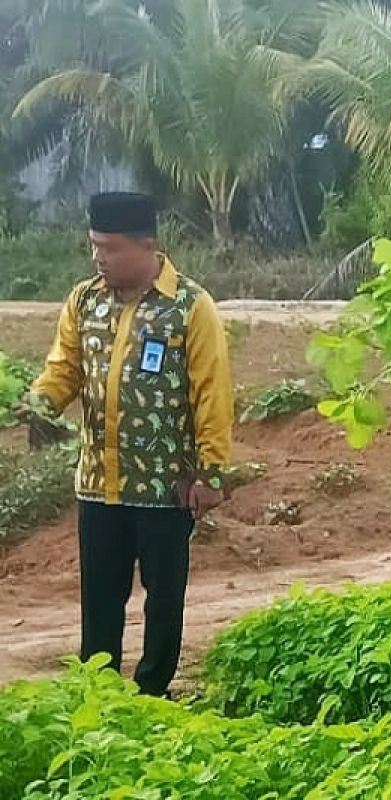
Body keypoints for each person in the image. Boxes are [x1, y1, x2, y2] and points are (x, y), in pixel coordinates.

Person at [23, 191, 233, 697]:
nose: (99, 257)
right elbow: (64, 368)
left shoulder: (189, 306)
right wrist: (40, 401)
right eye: (94, 246)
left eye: (110, 248)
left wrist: (212, 471)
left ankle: (152, 692)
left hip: (166, 488)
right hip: (98, 485)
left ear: (147, 246)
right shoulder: (84, 301)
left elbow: (213, 392)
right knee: (100, 597)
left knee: (163, 599)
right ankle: (97, 691)